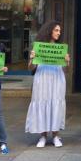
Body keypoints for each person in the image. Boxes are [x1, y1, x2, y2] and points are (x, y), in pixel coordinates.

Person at [26, 20, 70, 148]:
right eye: (56, 30)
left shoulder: (61, 47)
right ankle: (43, 136)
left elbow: (66, 70)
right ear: (49, 30)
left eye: (60, 31)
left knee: (56, 102)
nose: (58, 33)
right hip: (42, 76)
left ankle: (56, 135)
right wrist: (32, 58)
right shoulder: (38, 47)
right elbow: (30, 68)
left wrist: (67, 62)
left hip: (57, 77)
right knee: (42, 101)